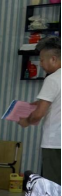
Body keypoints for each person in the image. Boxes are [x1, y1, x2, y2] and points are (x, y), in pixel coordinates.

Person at [18, 36, 61, 186]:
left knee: (54, 186)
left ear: (53, 59)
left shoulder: (53, 79)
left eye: (42, 60)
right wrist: (39, 102)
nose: (41, 64)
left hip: (55, 142)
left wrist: (26, 121)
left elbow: (38, 114)